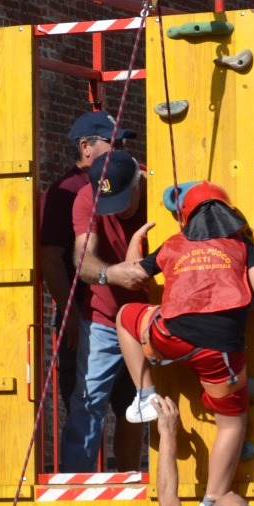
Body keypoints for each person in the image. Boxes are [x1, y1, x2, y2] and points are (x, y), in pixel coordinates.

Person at [114, 182, 254, 506]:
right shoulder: (240, 244)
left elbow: (132, 276)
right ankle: (212, 504)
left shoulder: (174, 243)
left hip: (169, 337)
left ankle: (144, 394)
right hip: (220, 351)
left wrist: (136, 240)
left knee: (126, 316)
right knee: (233, 424)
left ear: (185, 216)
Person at [39, 110, 137, 414]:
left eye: (121, 144)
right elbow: (50, 257)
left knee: (131, 408)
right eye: (114, 143)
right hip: (86, 317)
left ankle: (129, 465)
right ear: (86, 147)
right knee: (85, 409)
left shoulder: (124, 179)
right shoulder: (65, 192)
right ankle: (82, 465)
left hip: (126, 313)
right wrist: (70, 315)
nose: (120, 149)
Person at [61, 149, 153, 472]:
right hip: (104, 319)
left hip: (153, 317)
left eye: (126, 200)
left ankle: (137, 482)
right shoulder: (88, 197)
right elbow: (82, 258)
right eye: (110, 206)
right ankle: (73, 489)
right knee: (87, 404)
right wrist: (113, 274)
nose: (120, 211)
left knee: (145, 405)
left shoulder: (159, 185)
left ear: (138, 182)